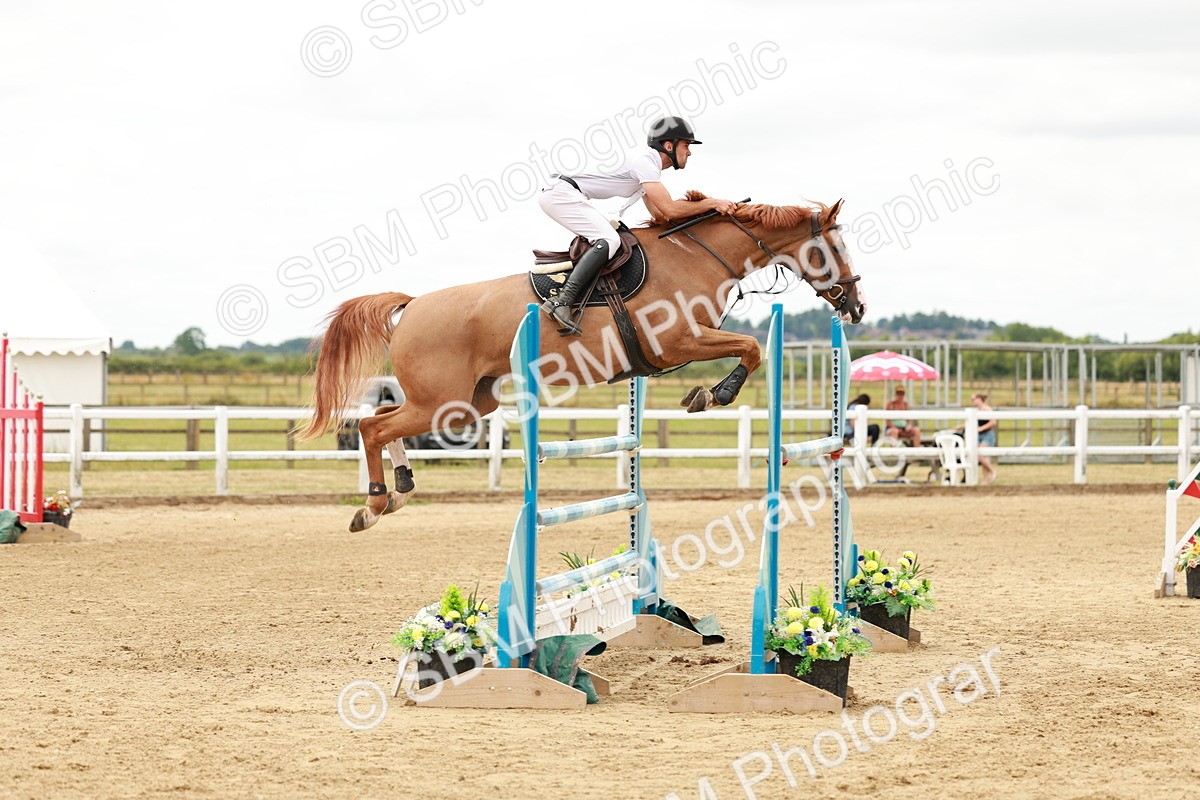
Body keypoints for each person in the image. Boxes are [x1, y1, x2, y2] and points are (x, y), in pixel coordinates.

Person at [536, 116, 738, 335]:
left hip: (563, 194)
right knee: (609, 240)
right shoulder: (645, 162)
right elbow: (669, 209)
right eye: (686, 145)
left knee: (611, 237)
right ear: (669, 146)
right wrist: (712, 203)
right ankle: (562, 301)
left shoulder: (649, 167)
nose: (689, 152)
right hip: (560, 194)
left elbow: (660, 214)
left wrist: (707, 216)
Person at [956, 392, 999, 484]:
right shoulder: (976, 411)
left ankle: (992, 472)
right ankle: (985, 480)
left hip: (987, 435)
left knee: (980, 456)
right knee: (983, 458)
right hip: (979, 435)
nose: (972, 401)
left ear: (979, 399)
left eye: (973, 399)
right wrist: (963, 426)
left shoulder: (987, 409)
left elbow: (993, 422)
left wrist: (980, 429)